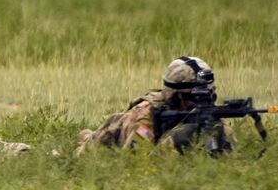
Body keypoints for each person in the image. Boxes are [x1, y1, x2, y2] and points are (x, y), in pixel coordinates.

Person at [74, 56, 230, 155]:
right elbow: (138, 157)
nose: (200, 103)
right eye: (194, 97)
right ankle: (84, 137)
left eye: (208, 95)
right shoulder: (146, 116)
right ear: (177, 96)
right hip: (114, 132)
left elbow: (228, 154)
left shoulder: (208, 117)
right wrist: (178, 137)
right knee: (86, 149)